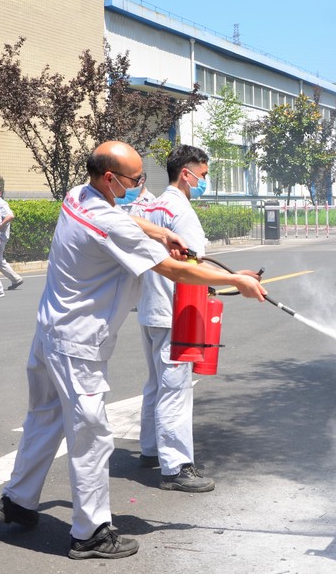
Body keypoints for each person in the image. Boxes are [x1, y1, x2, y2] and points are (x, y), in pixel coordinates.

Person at [0, 141, 266, 560]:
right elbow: (171, 268)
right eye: (135, 180)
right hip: (76, 344)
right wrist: (237, 282)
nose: (140, 186)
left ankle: (18, 501)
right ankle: (90, 533)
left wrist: (161, 231)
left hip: (49, 333)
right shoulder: (107, 220)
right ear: (109, 178)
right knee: (92, 437)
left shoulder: (77, 196)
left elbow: (129, 220)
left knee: (44, 421)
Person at [138, 144, 235, 494]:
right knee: (175, 390)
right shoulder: (181, 212)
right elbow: (194, 267)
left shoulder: (151, 205)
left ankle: (150, 449)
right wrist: (233, 281)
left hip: (151, 306)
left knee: (155, 383)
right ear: (187, 174)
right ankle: (176, 466)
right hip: (174, 310)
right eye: (204, 175)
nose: (205, 181)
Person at [0, 184, 24, 290]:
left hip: (0, 236)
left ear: (0, 193)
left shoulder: (2, 204)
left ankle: (16, 279)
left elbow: (10, 216)